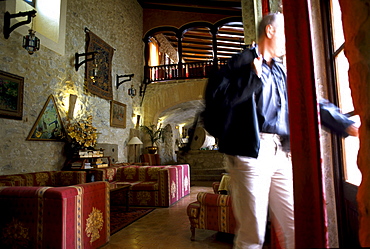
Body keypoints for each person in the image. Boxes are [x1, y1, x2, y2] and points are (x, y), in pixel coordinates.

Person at [215, 13, 292, 249]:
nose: (286, 43)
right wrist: (253, 77)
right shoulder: (240, 62)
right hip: (250, 152)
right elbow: (221, 101)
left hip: (280, 153)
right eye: (284, 35)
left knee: (293, 224)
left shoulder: (279, 71)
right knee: (252, 234)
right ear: (270, 31)